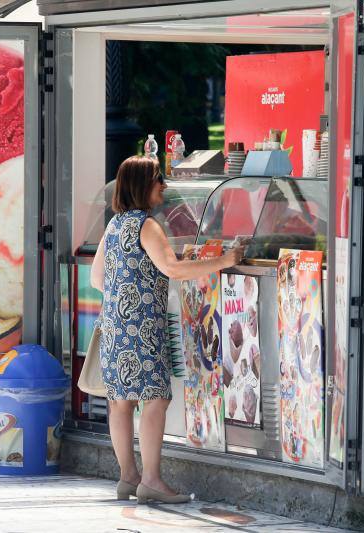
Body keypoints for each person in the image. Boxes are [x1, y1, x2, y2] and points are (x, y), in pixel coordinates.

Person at [91, 155, 243, 504]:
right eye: (159, 179)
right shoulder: (147, 226)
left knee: (121, 403)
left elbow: (97, 277)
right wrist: (224, 261)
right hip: (142, 326)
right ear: (144, 185)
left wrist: (124, 291)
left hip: (114, 325)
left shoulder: (114, 225)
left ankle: (128, 478)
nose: (164, 185)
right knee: (155, 399)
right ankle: (153, 481)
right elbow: (171, 268)